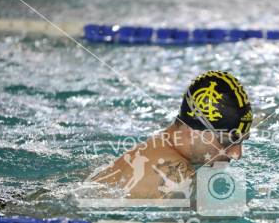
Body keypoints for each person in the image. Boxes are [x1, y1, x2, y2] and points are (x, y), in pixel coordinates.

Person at [91, 71, 253, 200]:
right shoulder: (177, 177)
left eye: (241, 140)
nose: (237, 153)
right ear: (193, 131)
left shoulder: (151, 148)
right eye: (227, 141)